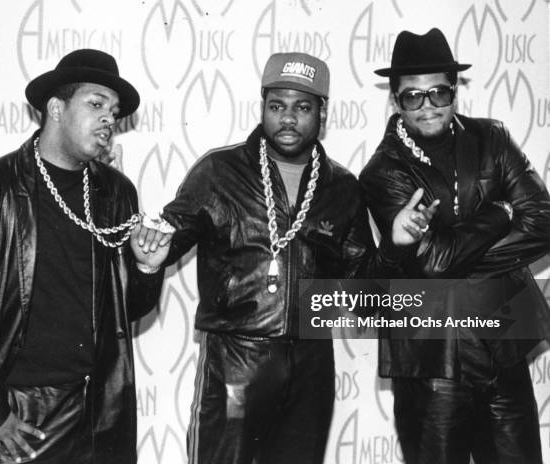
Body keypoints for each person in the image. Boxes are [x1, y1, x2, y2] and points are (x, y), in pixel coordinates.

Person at [137, 52, 435, 464]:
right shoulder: (219, 172)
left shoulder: (341, 187)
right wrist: (148, 252)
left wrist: (394, 247)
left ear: (322, 113)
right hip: (236, 361)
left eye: (302, 107)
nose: (288, 118)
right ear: (262, 108)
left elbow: (362, 295)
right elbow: (169, 238)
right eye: (277, 106)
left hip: (311, 365)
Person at [0, 49, 171, 463]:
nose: (108, 119)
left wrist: (147, 265)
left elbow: (128, 310)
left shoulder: (116, 193)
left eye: (113, 111)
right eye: (96, 104)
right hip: (6, 415)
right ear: (56, 109)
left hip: (93, 418)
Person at [359, 28, 550, 464]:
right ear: (395, 99)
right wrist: (501, 214)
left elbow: (542, 221)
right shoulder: (383, 171)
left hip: (503, 344)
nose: (427, 106)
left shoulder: (492, 138)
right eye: (413, 96)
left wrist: (454, 255)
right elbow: (433, 263)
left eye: (438, 93)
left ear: (454, 93)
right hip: (430, 358)